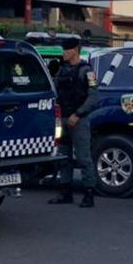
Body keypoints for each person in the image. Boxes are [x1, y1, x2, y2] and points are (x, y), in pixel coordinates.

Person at [49, 37, 99, 208]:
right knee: (63, 157)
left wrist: (78, 114)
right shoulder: (62, 70)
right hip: (62, 119)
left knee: (84, 158)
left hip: (79, 120)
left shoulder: (86, 71)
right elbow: (54, 91)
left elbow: (94, 96)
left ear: (75, 50)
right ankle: (65, 192)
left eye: (66, 50)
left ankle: (89, 194)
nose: (63, 53)